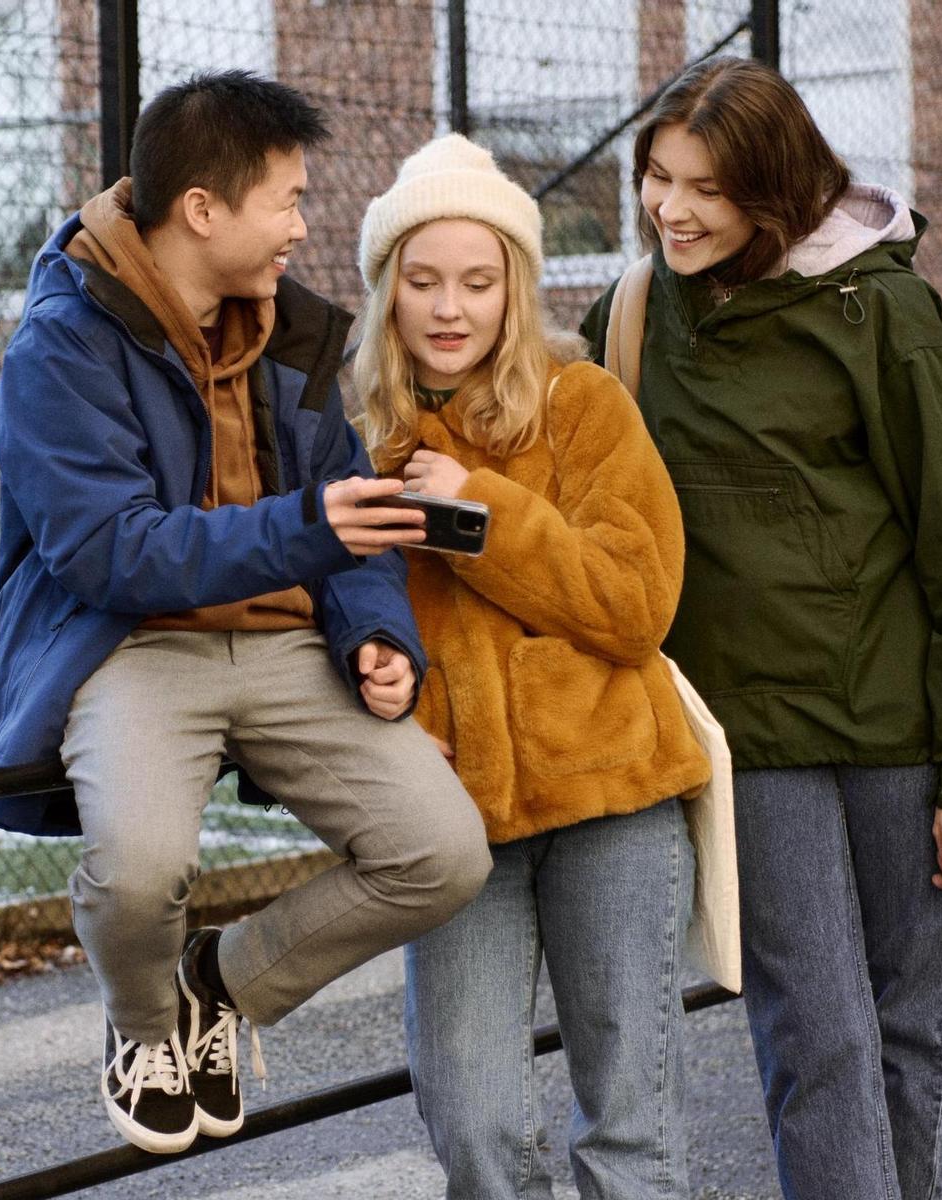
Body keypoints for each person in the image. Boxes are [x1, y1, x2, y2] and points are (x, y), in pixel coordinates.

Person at [0, 72, 491, 1156]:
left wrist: (375, 637)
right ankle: (142, 1026)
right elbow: (111, 553)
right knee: (137, 874)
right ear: (201, 210)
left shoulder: (295, 334)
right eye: (287, 201)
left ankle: (221, 980)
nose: (304, 228)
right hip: (128, 644)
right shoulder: (59, 346)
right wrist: (313, 530)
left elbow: (352, 519)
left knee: (442, 853)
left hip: (284, 643)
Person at [581, 57, 942, 1200]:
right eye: (657, 178)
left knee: (906, 1030)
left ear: (771, 195)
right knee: (814, 1036)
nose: (670, 210)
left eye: (705, 191)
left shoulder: (876, 307)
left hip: (899, 734)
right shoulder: (631, 317)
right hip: (752, 740)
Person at [354, 134, 713, 1199]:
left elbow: (632, 605)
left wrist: (476, 510)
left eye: (477, 281)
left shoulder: (582, 403)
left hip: (613, 798)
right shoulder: (354, 438)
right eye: (422, 281)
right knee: (471, 1118)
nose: (450, 308)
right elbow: (327, 613)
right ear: (387, 290)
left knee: (630, 1117)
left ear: (515, 286)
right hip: (454, 820)